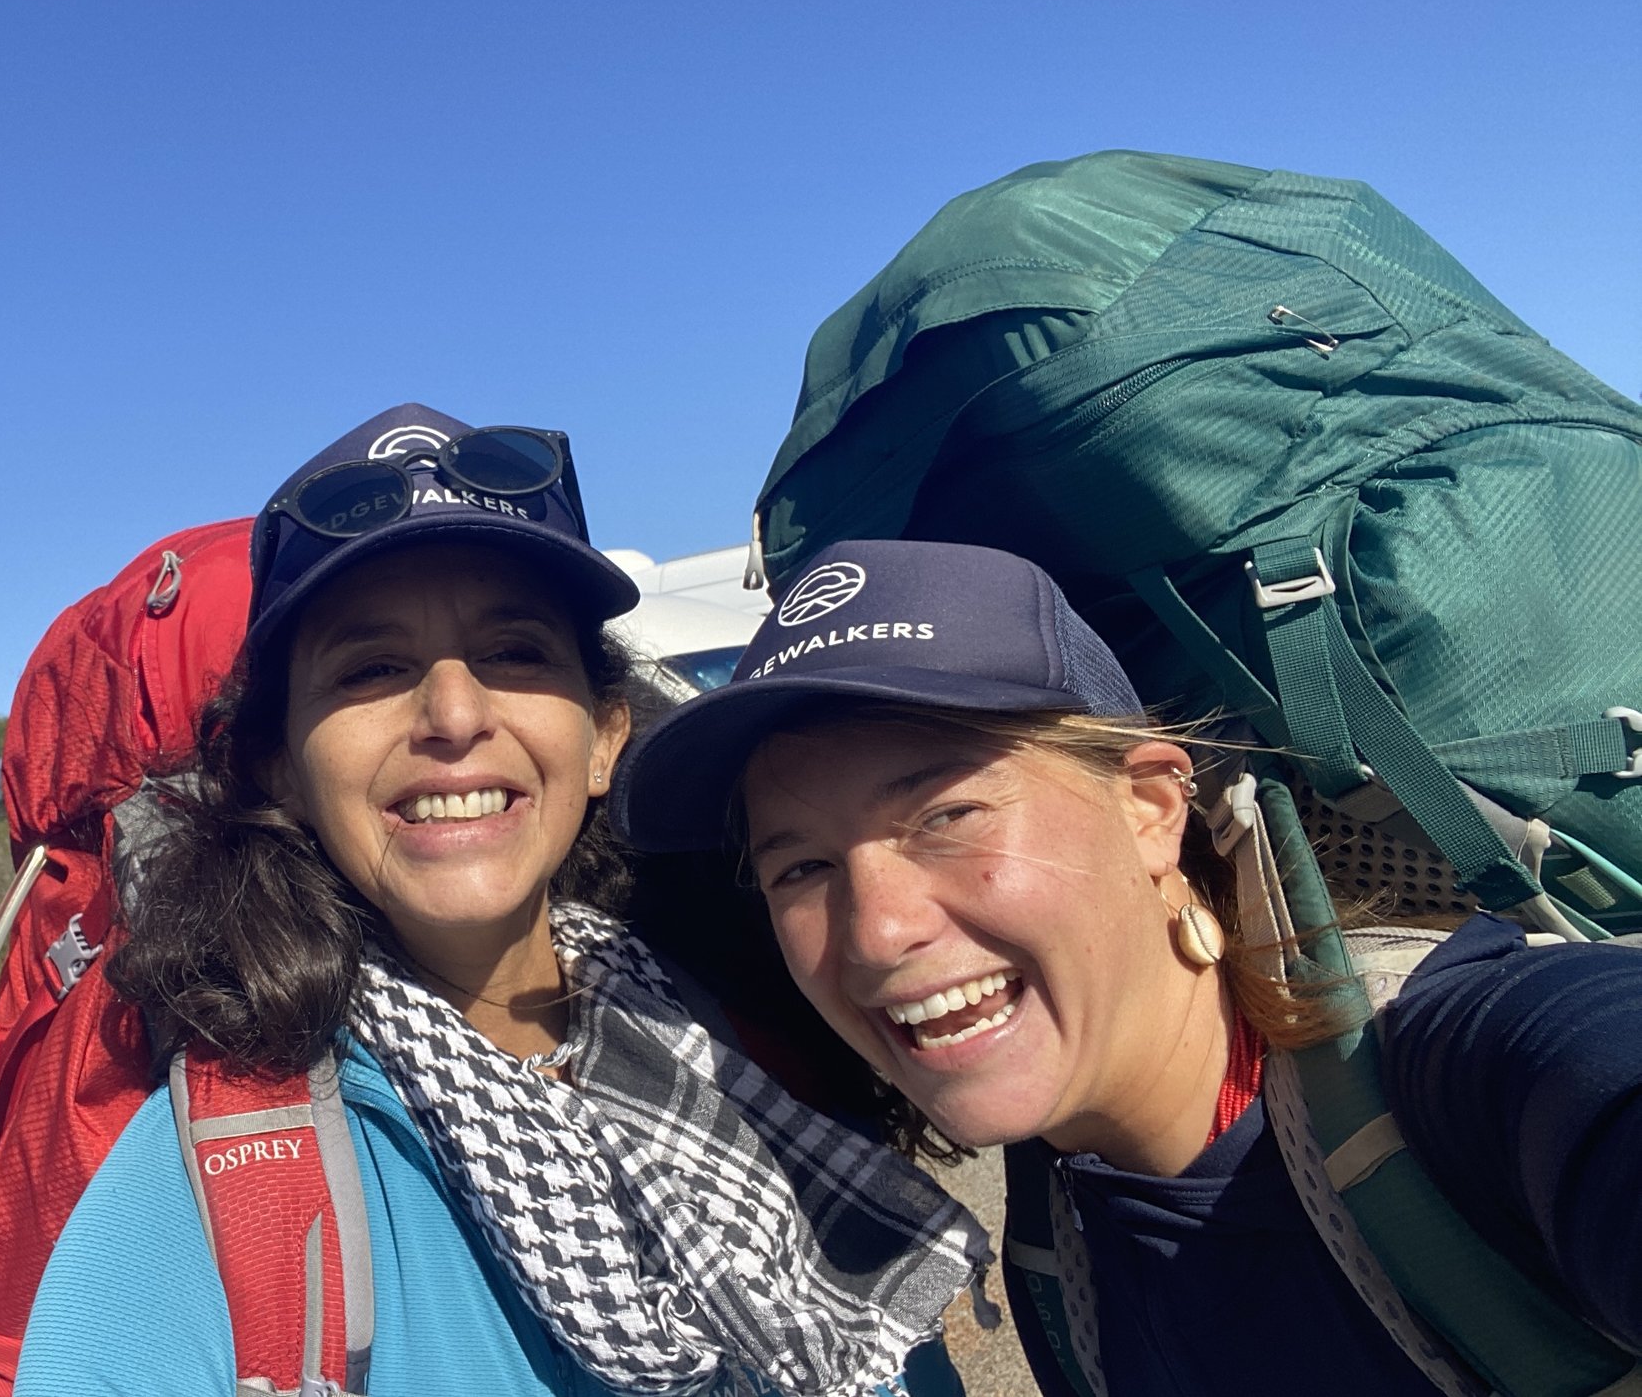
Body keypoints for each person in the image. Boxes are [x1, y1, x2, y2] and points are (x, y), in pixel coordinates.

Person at [10, 405, 987, 1397]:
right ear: (282, 773)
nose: (455, 714)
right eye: (373, 667)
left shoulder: (744, 1030)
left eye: (514, 651)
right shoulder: (205, 1212)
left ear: (605, 736)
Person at [611, 537, 1642, 1396]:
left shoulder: (1474, 1067)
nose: (876, 931)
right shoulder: (1063, 1233)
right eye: (802, 864)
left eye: (946, 814)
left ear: (1150, 808)